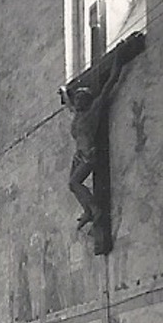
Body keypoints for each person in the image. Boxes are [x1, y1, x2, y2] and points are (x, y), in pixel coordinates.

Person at [63, 51, 130, 231]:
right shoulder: (77, 116)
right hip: (79, 155)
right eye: (75, 99)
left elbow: (110, 83)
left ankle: (94, 210)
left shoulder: (92, 112)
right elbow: (69, 105)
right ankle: (88, 210)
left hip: (88, 154)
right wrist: (64, 93)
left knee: (74, 183)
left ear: (87, 100)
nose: (77, 102)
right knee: (72, 185)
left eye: (80, 98)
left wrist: (118, 60)